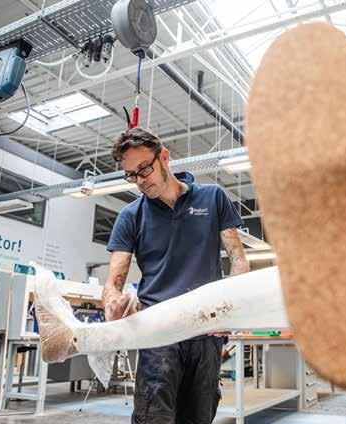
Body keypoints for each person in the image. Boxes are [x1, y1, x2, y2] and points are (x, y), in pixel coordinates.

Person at [102, 127, 250, 423]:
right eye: (131, 175)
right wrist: (112, 303)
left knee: (199, 415)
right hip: (157, 332)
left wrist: (230, 311)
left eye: (144, 169)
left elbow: (239, 261)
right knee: (153, 416)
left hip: (206, 331)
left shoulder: (213, 198)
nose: (140, 181)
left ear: (165, 157)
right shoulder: (131, 216)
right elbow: (113, 283)